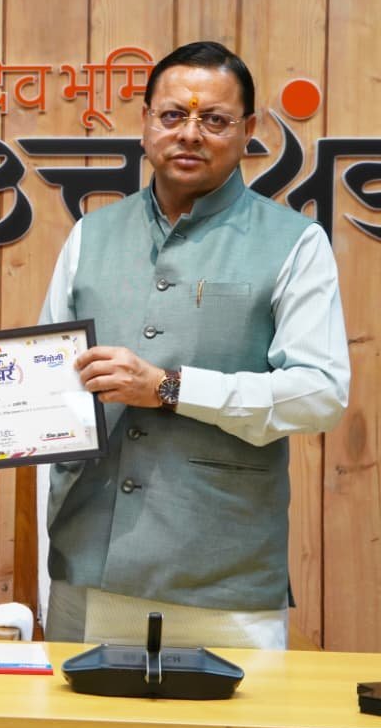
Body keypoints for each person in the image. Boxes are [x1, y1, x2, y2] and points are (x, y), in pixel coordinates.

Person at [39, 41, 350, 649]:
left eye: (214, 119)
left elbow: (321, 393)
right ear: (145, 123)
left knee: (239, 718)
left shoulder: (296, 242)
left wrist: (170, 387)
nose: (189, 133)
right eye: (173, 115)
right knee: (78, 716)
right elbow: (48, 382)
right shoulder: (89, 236)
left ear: (248, 131)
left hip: (223, 575)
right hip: (87, 562)